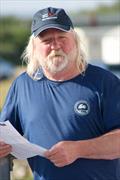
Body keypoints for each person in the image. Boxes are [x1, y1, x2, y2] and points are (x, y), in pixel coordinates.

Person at [0, 7, 120, 180]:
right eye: (47, 40)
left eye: (62, 38)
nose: (55, 45)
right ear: (34, 47)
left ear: (75, 41)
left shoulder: (104, 82)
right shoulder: (23, 85)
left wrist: (78, 149)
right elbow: (5, 133)